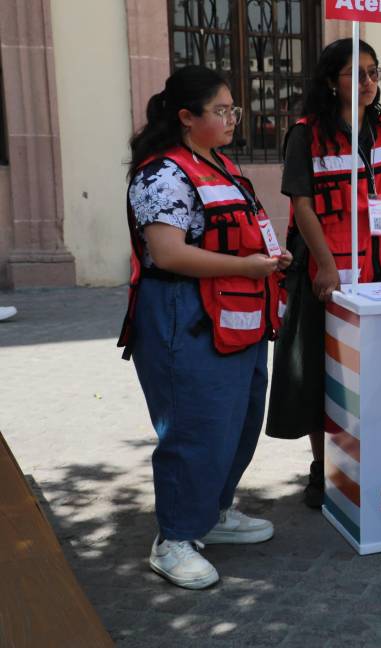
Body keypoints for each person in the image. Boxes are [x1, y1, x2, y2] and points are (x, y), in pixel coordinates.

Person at [118, 66, 290, 589]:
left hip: (237, 318)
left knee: (235, 422)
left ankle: (212, 514)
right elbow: (168, 252)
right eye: (222, 110)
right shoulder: (161, 173)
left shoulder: (219, 164)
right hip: (182, 317)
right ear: (187, 118)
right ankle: (174, 539)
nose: (233, 118)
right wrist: (247, 267)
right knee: (195, 429)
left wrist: (263, 262)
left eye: (233, 108)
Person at [267, 38, 381, 509]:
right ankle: (324, 468)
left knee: (379, 376)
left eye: (374, 72)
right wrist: (328, 266)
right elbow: (301, 204)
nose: (368, 83)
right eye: (356, 74)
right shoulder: (306, 134)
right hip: (330, 280)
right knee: (325, 374)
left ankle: (376, 458)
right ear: (330, 81)